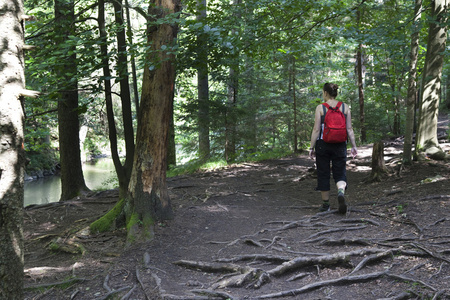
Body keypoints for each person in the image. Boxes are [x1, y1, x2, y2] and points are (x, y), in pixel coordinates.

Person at [309, 83, 357, 214]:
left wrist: (311, 147)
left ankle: (326, 205)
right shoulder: (345, 107)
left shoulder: (320, 108)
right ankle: (340, 192)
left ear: (325, 93)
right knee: (340, 172)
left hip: (322, 144)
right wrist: (354, 146)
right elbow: (349, 129)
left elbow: (316, 129)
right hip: (340, 144)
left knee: (323, 173)